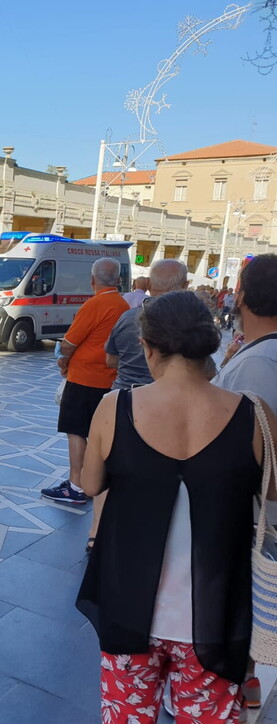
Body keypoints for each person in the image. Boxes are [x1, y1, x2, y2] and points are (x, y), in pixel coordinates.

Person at [76, 290, 275, 724]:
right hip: (217, 614)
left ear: (148, 348)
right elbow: (273, 491)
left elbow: (90, 484)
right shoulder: (252, 414)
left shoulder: (116, 407)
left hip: (128, 607)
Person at [81, 261, 190, 552]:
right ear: (183, 286)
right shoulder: (188, 321)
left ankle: (95, 533)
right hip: (167, 404)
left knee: (108, 465)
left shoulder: (129, 317)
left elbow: (110, 360)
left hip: (122, 399)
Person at [212, 254, 277, 715]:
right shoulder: (254, 359)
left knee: (243, 604)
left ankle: (238, 679)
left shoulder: (253, 370)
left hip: (256, 521)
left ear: (240, 297)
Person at [42, 258, 128, 504]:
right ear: (119, 280)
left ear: (92, 281)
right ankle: (94, 481)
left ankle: (76, 485)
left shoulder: (94, 304)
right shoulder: (122, 305)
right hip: (108, 379)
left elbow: (69, 343)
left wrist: (63, 360)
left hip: (83, 379)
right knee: (97, 434)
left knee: (76, 431)